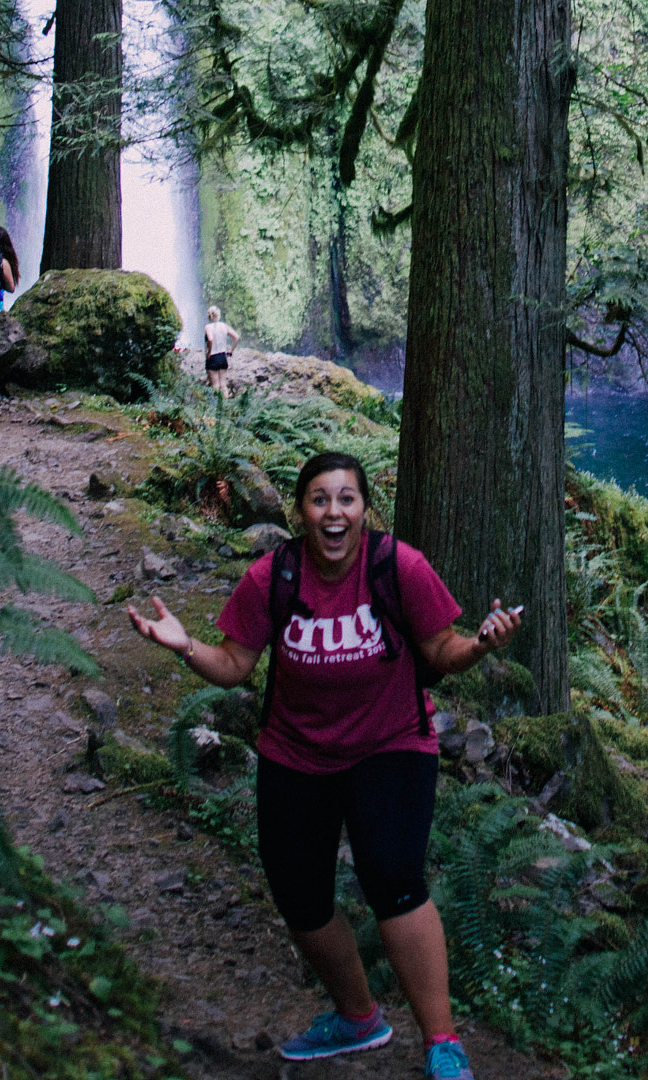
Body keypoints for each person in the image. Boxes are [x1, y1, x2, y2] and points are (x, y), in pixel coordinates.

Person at [127, 449, 522, 1079]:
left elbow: (443, 654)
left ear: (364, 510)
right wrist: (184, 646)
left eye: (346, 499)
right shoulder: (273, 577)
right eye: (319, 499)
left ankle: (443, 1042)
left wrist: (479, 645)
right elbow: (233, 666)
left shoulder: (400, 567)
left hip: (389, 746)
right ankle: (357, 1017)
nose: (333, 512)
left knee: (393, 878)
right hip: (295, 753)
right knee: (299, 894)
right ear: (301, 510)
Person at [203, 304, 239, 390]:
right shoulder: (224, 326)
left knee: (215, 385)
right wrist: (230, 351)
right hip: (223, 356)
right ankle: (225, 403)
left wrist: (209, 353)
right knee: (223, 386)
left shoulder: (208, 327)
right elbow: (236, 337)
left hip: (213, 357)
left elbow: (210, 339)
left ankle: (217, 403)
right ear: (218, 315)